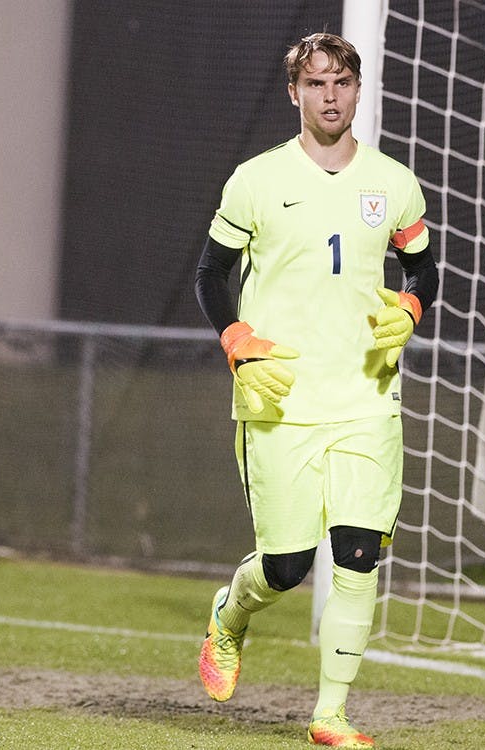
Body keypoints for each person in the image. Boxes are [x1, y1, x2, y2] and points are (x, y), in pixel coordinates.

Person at [193, 32, 438, 748]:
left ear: (358, 90)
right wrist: (237, 342)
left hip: (366, 395)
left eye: (343, 82)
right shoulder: (255, 181)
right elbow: (211, 277)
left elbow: (423, 271)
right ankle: (229, 616)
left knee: (360, 554)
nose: (331, 96)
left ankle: (329, 715)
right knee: (287, 566)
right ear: (294, 93)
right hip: (281, 399)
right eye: (316, 83)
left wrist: (410, 310)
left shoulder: (393, 183)